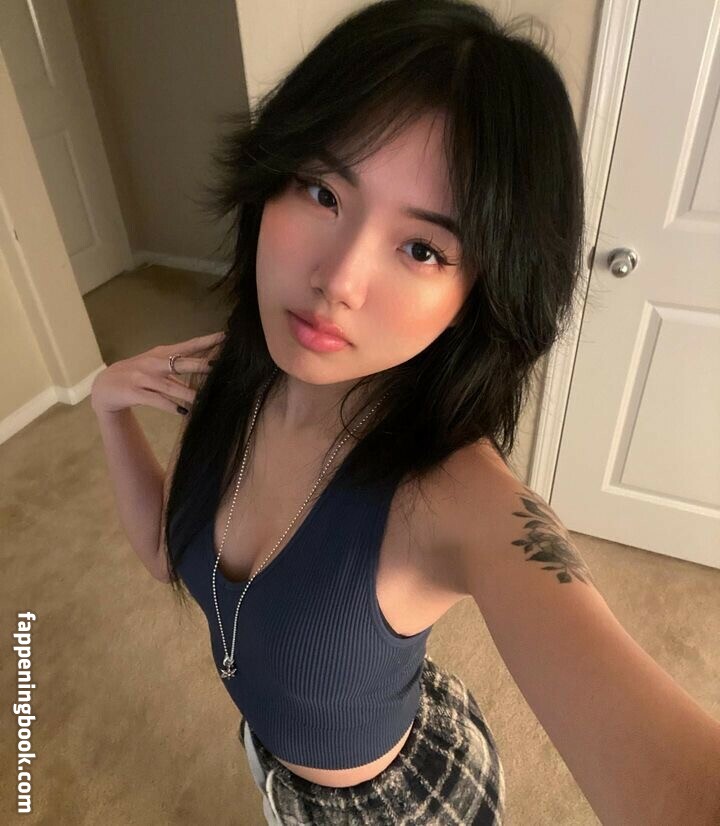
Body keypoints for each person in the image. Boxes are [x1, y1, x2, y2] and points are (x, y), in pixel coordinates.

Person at [91, 0, 720, 823]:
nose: (339, 280)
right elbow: (169, 553)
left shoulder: (456, 496)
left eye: (423, 248)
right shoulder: (235, 379)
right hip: (272, 763)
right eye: (321, 190)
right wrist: (109, 407)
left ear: (477, 297)